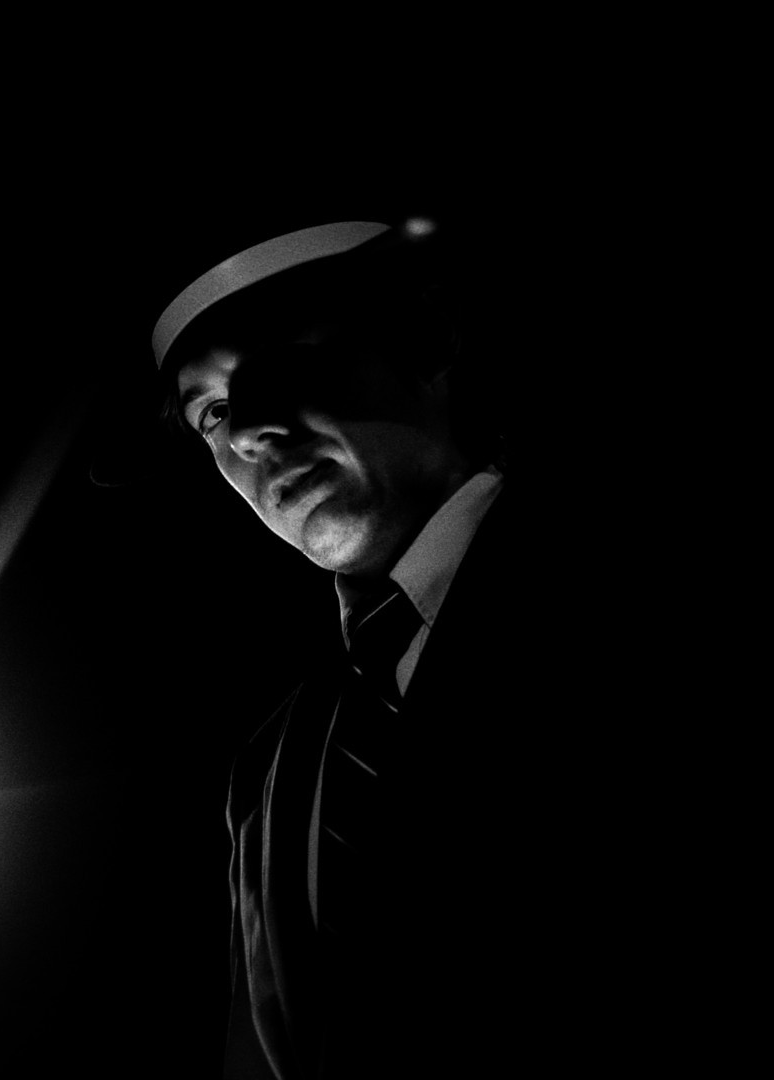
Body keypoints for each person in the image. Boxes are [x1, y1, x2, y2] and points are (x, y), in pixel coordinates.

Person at [148, 218, 559, 1078]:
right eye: (211, 411)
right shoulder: (269, 769)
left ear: (429, 337)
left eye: (280, 357)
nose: (249, 429)